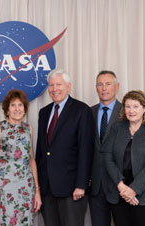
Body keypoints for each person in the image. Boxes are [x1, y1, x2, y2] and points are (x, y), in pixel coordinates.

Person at [35, 69, 95, 226]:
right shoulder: (44, 112)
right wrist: (38, 185)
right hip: (47, 188)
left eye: (59, 84)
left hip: (72, 189)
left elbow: (86, 150)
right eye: (51, 85)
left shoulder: (82, 110)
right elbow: (41, 151)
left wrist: (81, 185)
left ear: (68, 87)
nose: (55, 89)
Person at [102, 90, 145, 226]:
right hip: (120, 194)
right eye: (127, 106)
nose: (131, 110)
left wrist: (133, 190)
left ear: (144, 108)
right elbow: (107, 156)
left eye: (135, 106)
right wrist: (121, 187)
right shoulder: (117, 127)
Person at [0, 89, 42, 226]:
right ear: (7, 109)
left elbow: (31, 161)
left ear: (25, 108)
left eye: (20, 105)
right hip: (5, 190)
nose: (17, 109)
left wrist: (37, 191)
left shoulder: (29, 129)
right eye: (13, 105)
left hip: (26, 189)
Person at [89, 70, 122, 226]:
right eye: (100, 84)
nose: (104, 88)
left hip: (121, 185)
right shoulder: (88, 112)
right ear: (96, 88)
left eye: (108, 84)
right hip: (96, 185)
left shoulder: (127, 112)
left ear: (117, 87)